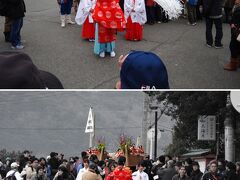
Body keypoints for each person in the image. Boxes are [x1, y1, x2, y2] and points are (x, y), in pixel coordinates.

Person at [223, 0, 240, 71]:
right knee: (236, 46)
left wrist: (233, 24)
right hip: (236, 27)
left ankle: (233, 65)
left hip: (237, 29)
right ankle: (236, 63)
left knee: (233, 46)